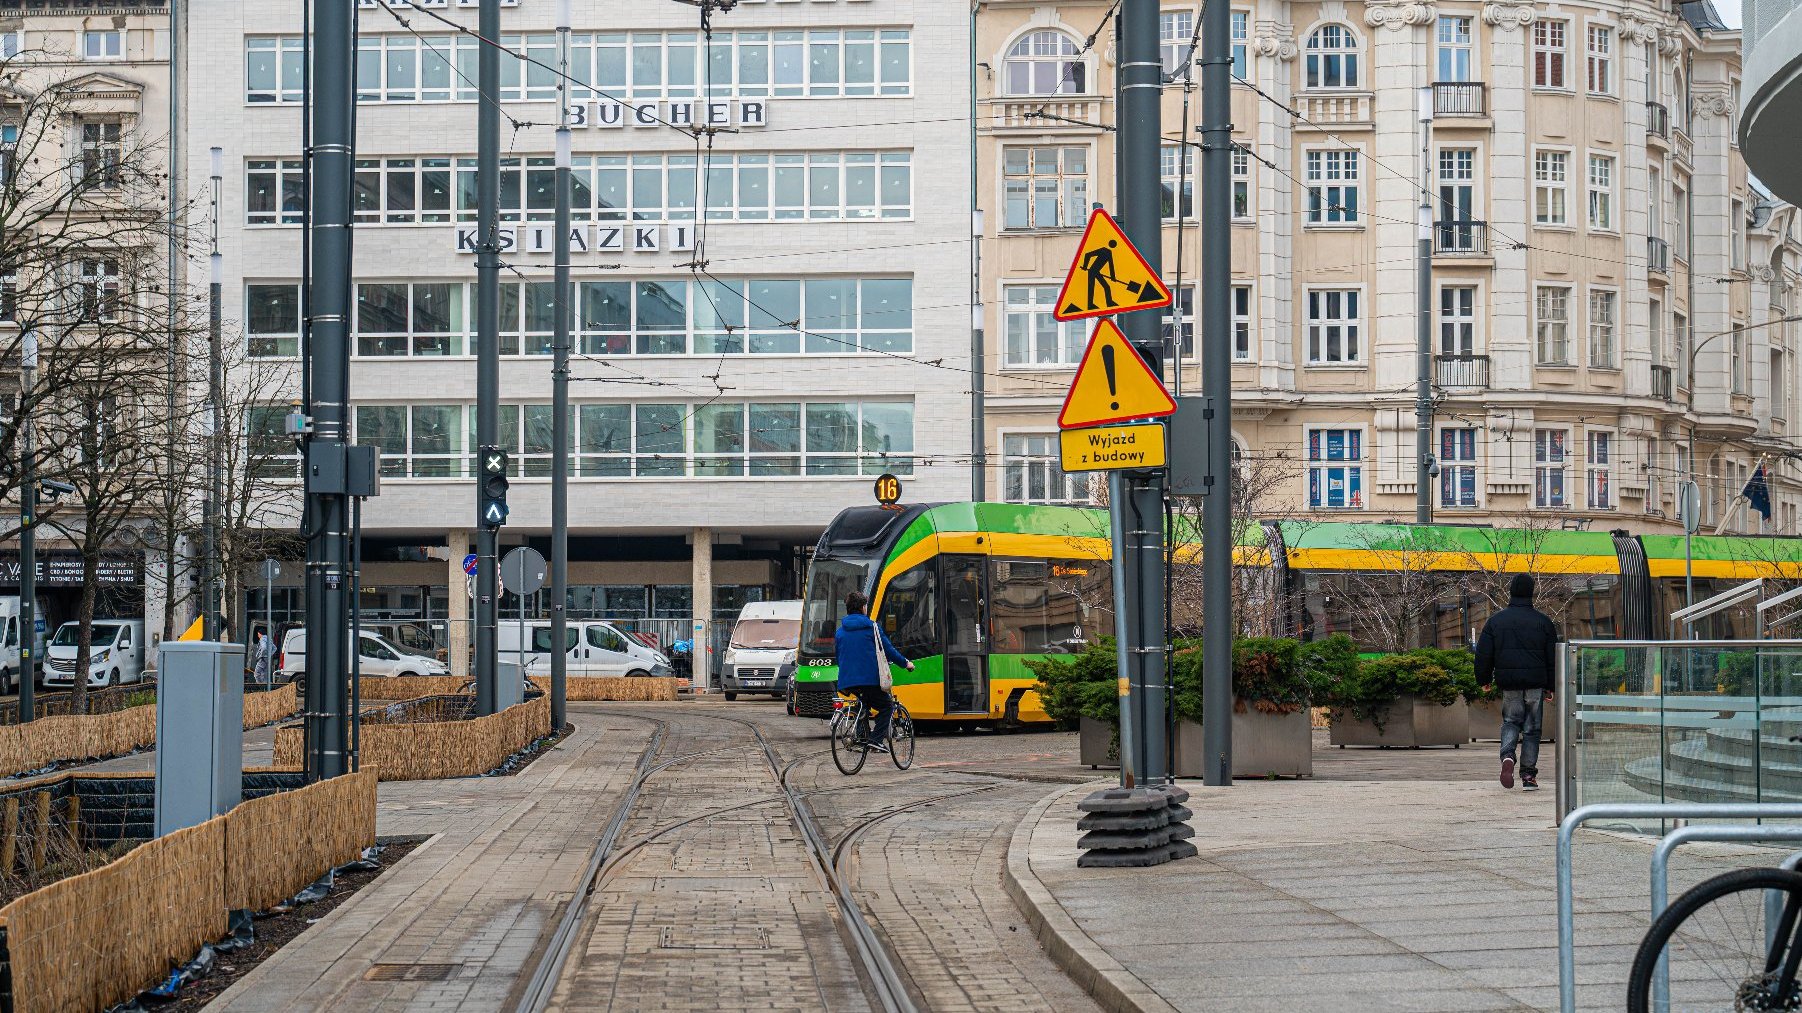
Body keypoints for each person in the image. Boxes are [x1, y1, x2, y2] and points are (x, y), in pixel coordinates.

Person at [1475, 574, 1560, 791]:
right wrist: (1550, 685)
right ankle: (1529, 776)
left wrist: (1484, 679)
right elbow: (1552, 658)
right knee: (1532, 729)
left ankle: (1507, 757)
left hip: (1509, 682)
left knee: (1511, 721)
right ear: (1531, 592)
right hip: (1535, 683)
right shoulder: (1543, 622)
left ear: (1511, 591)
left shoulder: (1496, 621)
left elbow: (1484, 654)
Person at [834, 591, 912, 752]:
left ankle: (862, 737)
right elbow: (889, 651)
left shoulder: (840, 632)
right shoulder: (872, 628)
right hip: (869, 680)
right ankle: (875, 740)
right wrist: (906, 663)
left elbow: (838, 656)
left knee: (865, 704)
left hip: (847, 680)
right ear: (863, 608)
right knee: (887, 707)